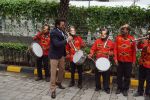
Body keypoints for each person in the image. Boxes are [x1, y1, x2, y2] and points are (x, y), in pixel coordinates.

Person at [49, 19, 73, 99]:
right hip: (54, 55)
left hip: (61, 55)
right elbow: (56, 44)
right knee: (53, 73)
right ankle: (53, 90)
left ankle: (58, 82)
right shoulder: (53, 32)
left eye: (64, 24)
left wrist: (67, 41)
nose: (64, 26)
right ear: (57, 25)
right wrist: (67, 40)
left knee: (62, 70)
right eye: (62, 25)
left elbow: (63, 42)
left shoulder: (62, 31)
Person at [88, 28, 114, 94]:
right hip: (98, 62)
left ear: (107, 35)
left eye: (104, 34)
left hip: (106, 62)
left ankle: (106, 88)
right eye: (101, 33)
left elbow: (114, 51)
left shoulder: (111, 42)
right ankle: (98, 87)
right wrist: (91, 54)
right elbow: (92, 49)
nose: (102, 35)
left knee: (106, 76)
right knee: (97, 75)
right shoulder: (97, 41)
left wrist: (110, 53)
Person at [114, 24, 136, 96]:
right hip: (119, 61)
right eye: (122, 29)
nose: (123, 30)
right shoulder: (118, 38)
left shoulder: (132, 39)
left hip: (128, 61)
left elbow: (134, 51)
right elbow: (115, 49)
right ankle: (119, 88)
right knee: (119, 76)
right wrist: (116, 59)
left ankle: (125, 89)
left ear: (128, 31)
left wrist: (133, 61)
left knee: (127, 76)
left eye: (125, 29)